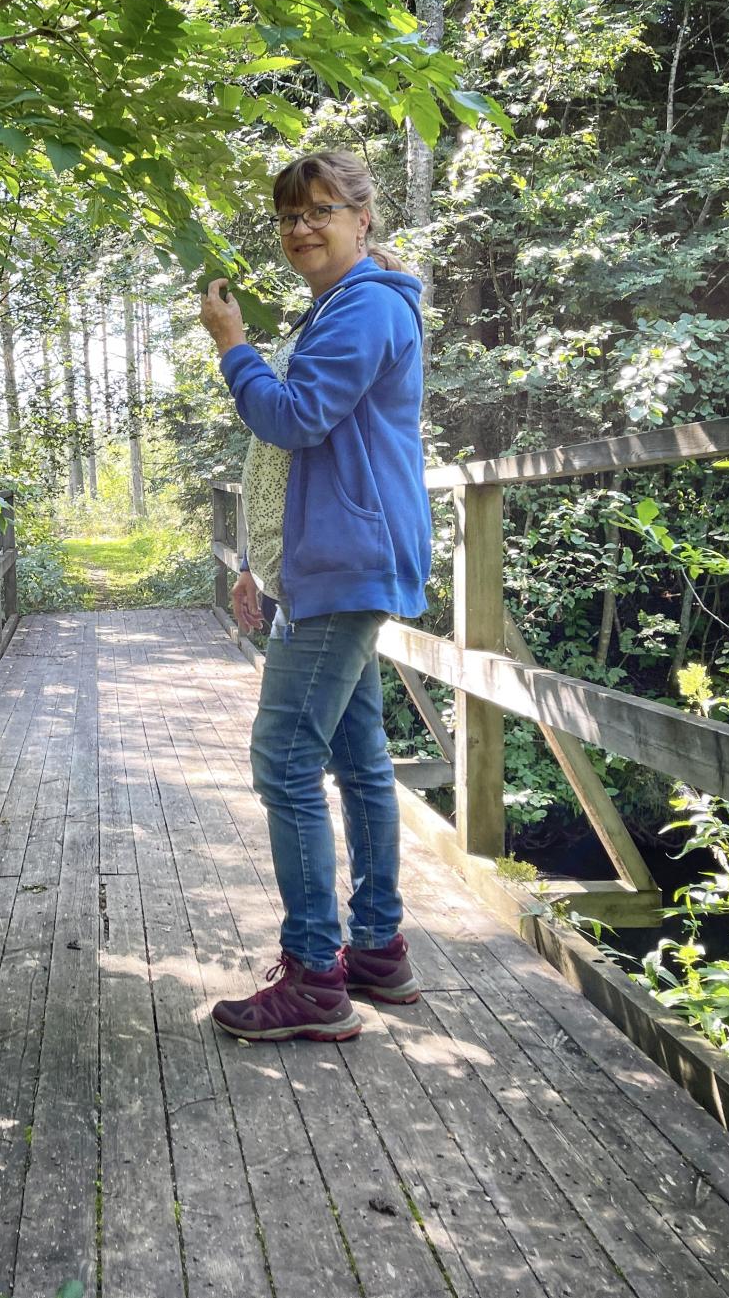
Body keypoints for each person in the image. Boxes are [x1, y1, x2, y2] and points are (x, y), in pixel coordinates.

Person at [198, 150, 432, 1043]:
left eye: (320, 210)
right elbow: (294, 456)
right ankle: (375, 950)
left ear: (362, 219)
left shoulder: (365, 305)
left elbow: (290, 419)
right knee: (358, 753)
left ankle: (315, 977)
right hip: (336, 557)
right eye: (288, 215)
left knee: (286, 759)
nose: (301, 228)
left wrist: (233, 347)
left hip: (344, 561)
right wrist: (263, 561)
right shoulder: (347, 304)